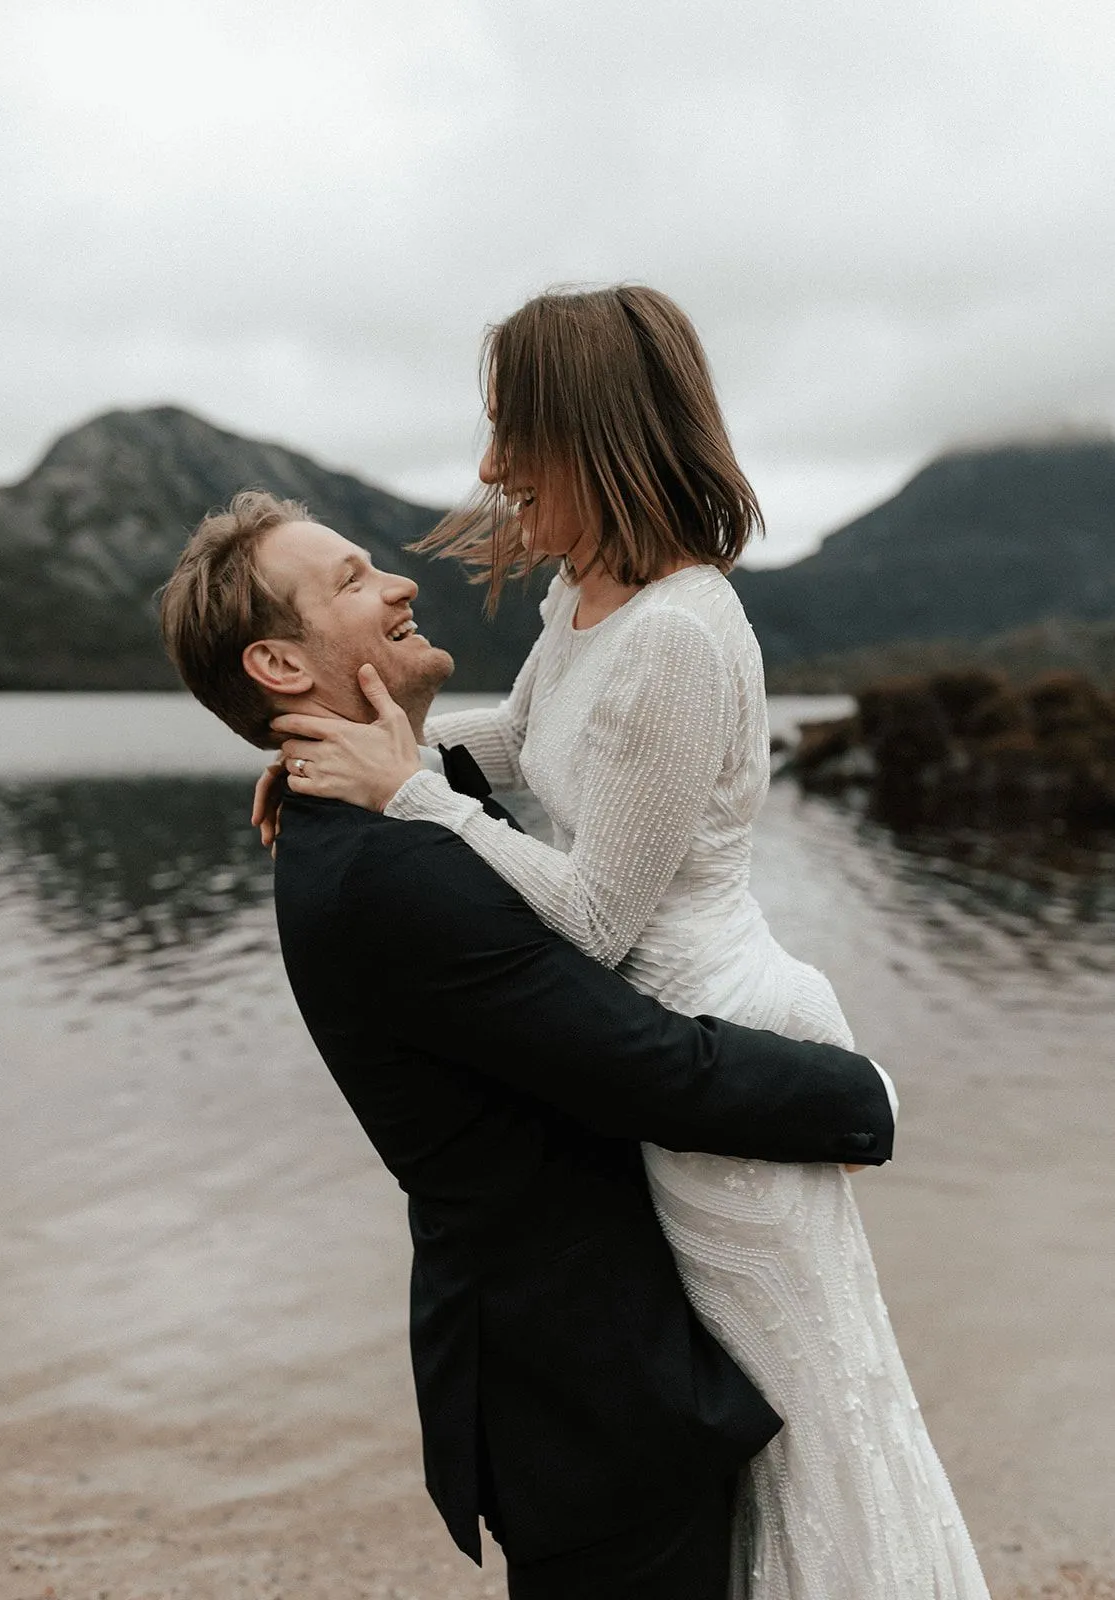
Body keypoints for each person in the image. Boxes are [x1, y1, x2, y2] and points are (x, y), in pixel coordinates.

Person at [263, 286, 991, 1598]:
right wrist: (358, 753)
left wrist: (414, 799)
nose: (489, 468)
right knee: (741, 1436)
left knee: (806, 1424)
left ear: (588, 432)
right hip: (651, 1041)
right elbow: (525, 742)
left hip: (713, 1028)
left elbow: (596, 915)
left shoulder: (675, 631)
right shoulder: (584, 599)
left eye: (512, 432)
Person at [159, 490, 898, 1600]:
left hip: (567, 1376)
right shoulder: (389, 871)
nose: (402, 581)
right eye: (355, 580)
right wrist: (861, 1096)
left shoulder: (373, 824)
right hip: (588, 1393)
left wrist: (408, 765)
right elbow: (645, 1064)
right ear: (279, 665)